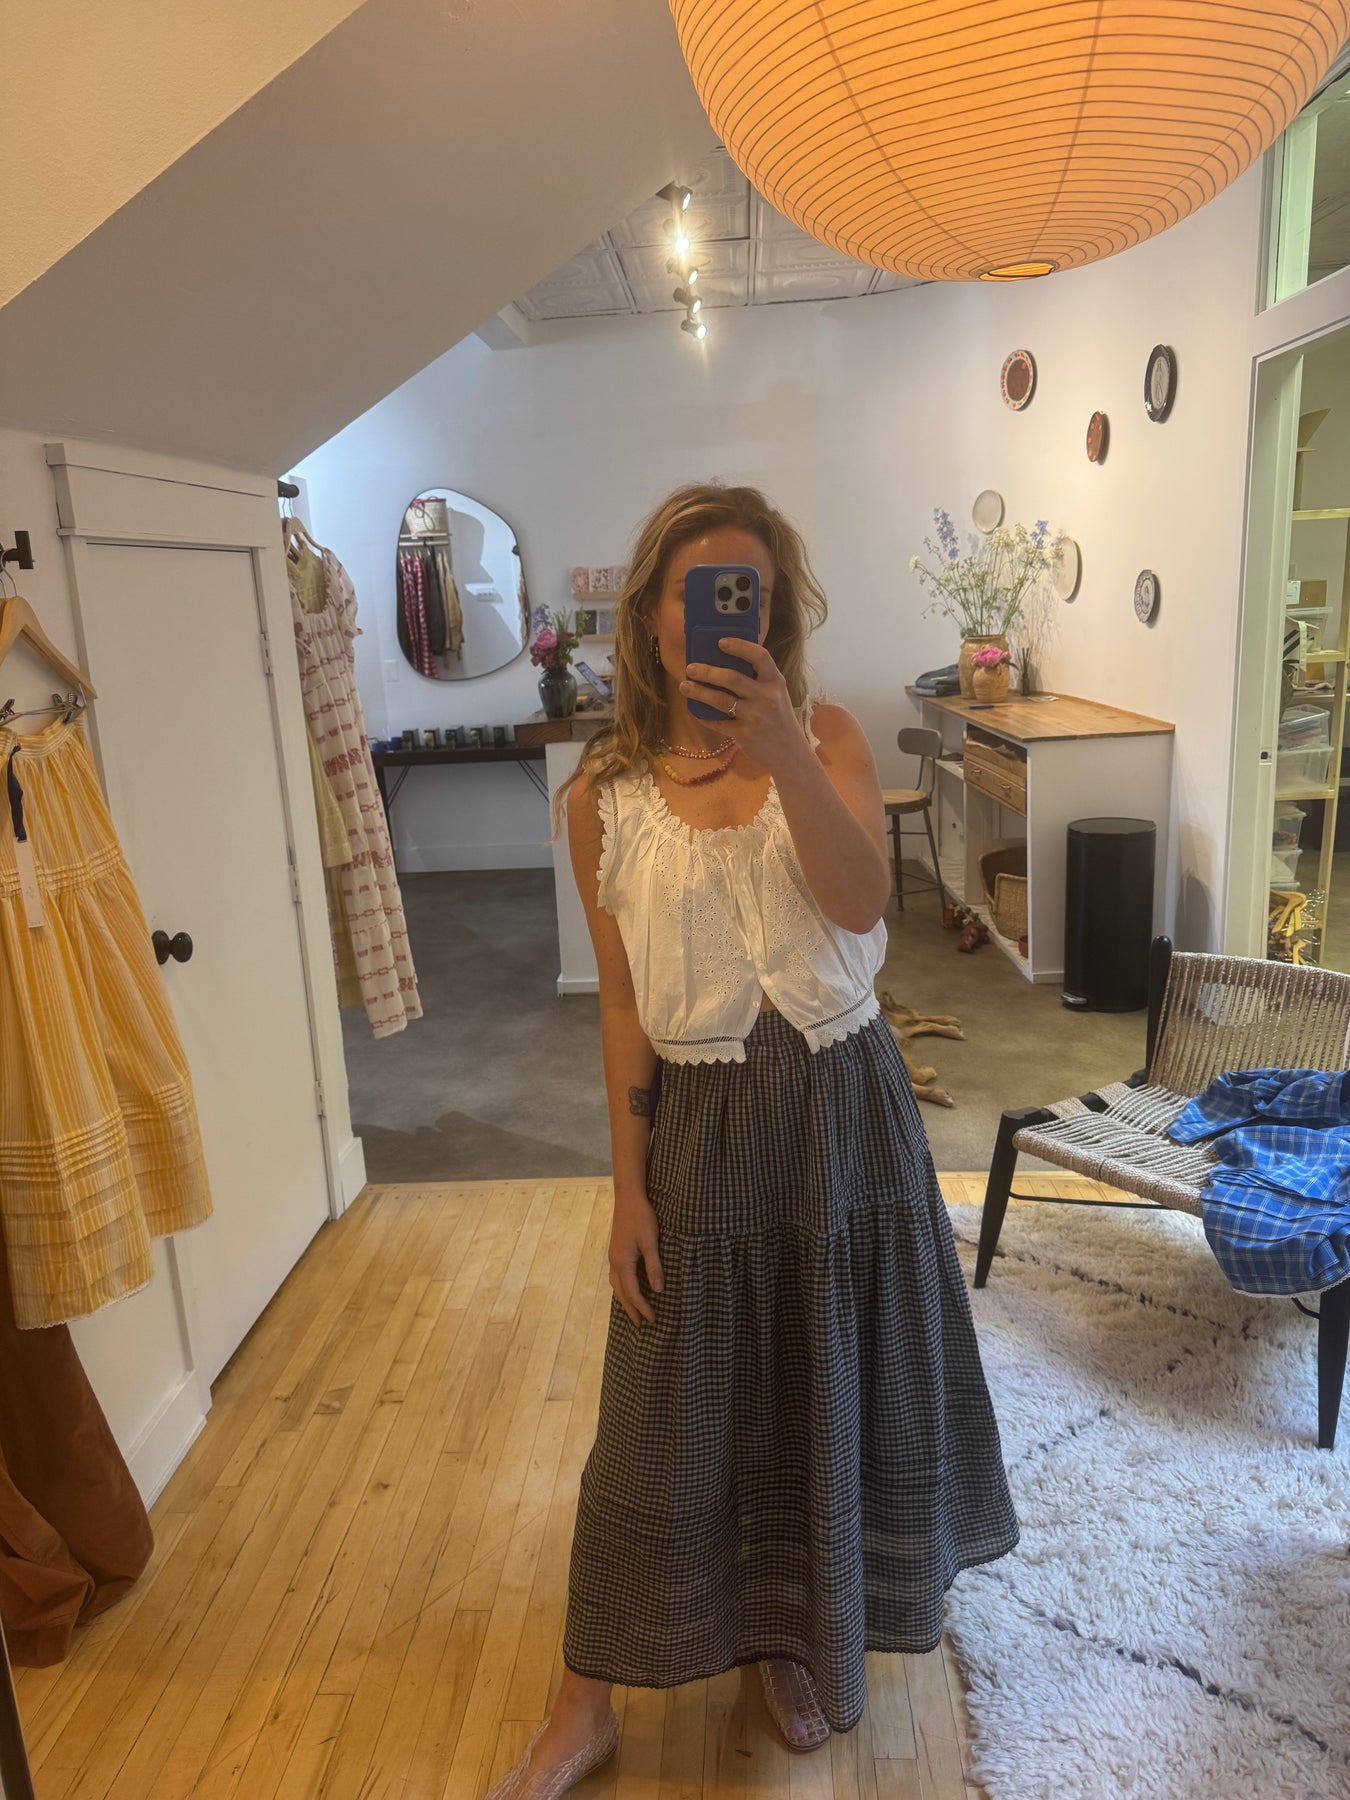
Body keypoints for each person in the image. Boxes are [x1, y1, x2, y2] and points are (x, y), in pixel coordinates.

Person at [484, 483, 1018, 1800]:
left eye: (751, 595)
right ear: (651, 617)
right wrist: (627, 1192)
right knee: (655, 1425)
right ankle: (583, 1699)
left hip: (845, 1115)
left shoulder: (824, 736)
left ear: (773, 616)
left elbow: (858, 902)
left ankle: (789, 1635)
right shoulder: (601, 795)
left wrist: (784, 753)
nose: (725, 616)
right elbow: (621, 1005)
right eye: (698, 591)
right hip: (701, 1128)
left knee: (815, 1397)